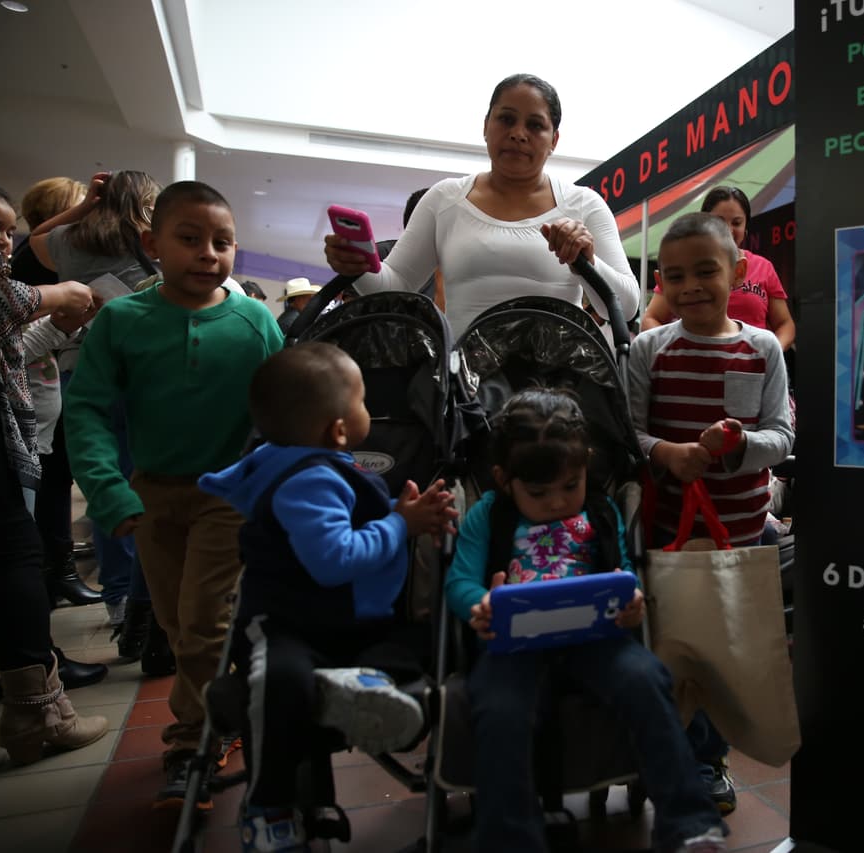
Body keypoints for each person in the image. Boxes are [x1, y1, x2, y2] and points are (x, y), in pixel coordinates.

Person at [64, 180, 286, 808]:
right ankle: (231, 705)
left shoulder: (254, 322)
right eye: (189, 240)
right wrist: (109, 493)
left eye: (223, 242)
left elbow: (284, 406)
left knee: (201, 625)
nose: (208, 254)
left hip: (230, 496)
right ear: (151, 243)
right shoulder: (121, 320)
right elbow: (85, 410)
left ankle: (192, 742)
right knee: (175, 621)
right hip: (152, 497)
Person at [198, 342, 456, 850]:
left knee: (417, 642)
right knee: (280, 681)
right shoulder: (308, 481)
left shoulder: (308, 466)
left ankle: (360, 682)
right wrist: (401, 525)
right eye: (362, 401)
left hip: (345, 626)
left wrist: (395, 512)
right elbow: (335, 560)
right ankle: (268, 802)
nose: (368, 412)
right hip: (287, 624)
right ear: (339, 430)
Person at [445, 388, 726, 853]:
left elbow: (624, 576)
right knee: (499, 710)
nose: (557, 502)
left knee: (648, 678)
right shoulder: (487, 516)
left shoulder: (598, 510)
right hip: (513, 644)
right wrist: (480, 603)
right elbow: (459, 583)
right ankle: (509, 836)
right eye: (538, 493)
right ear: (503, 479)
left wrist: (631, 600)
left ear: (586, 468)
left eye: (570, 485)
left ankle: (688, 822)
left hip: (595, 639)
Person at [627, 212, 794, 815]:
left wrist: (739, 448)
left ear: (739, 272)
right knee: (672, 645)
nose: (691, 285)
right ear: (660, 286)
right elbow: (631, 433)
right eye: (675, 276)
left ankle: (707, 760)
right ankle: (667, 753)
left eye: (706, 271)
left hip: (743, 530)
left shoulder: (762, 346)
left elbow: (781, 434)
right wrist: (667, 453)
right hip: (669, 526)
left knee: (725, 649)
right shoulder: (650, 348)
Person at [324, 73, 639, 339]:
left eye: (535, 125)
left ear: (554, 140)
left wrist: (587, 263)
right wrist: (360, 267)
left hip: (556, 395)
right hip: (468, 396)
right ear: (486, 125)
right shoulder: (444, 199)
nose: (518, 134)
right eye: (506, 119)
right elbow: (394, 288)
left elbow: (625, 306)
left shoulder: (584, 204)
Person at [0, 182, 109, 765]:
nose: (2, 242)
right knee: (16, 557)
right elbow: (6, 311)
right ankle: (37, 712)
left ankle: (35, 707)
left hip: (17, 439)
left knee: (19, 556)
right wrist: (56, 293)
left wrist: (62, 318)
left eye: (5, 230)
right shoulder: (9, 292)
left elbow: (11, 343)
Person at [29, 170, 163, 628]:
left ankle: (120, 596)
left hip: (80, 373)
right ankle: (149, 599)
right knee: (145, 482)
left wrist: (87, 204)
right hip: (142, 378)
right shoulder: (151, 242)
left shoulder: (68, 239)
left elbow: (37, 237)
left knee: (105, 485)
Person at [640, 186, 796, 351]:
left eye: (737, 222)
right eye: (719, 222)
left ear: (738, 273)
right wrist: (675, 352)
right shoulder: (685, 265)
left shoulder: (763, 267)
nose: (728, 230)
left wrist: (769, 354)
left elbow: (785, 324)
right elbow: (651, 319)